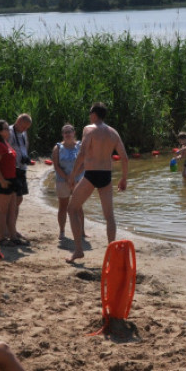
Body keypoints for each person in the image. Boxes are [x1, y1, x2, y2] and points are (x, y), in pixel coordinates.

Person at [66, 102, 128, 263]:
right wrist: (124, 178)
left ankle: (79, 250)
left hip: (92, 173)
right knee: (109, 216)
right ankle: (112, 252)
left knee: (72, 209)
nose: (89, 116)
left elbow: (82, 152)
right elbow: (124, 157)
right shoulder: (113, 133)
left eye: (90, 113)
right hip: (106, 175)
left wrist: (73, 174)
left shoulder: (89, 129)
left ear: (94, 114)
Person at [0, 119, 20, 248]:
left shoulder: (4, 142)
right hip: (0, 181)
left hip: (10, 179)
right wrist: (2, 181)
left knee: (12, 210)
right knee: (3, 211)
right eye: (6, 128)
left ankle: (13, 236)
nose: (9, 130)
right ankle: (2, 239)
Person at [52, 124, 86, 241]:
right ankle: (62, 231)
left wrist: (74, 176)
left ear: (74, 133)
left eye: (69, 132)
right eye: (65, 132)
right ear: (62, 134)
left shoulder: (80, 147)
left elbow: (84, 164)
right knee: (63, 206)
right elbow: (56, 166)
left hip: (78, 180)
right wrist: (67, 178)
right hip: (62, 180)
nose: (67, 134)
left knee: (79, 207)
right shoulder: (57, 148)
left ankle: (82, 232)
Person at [8, 113, 32, 242]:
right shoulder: (10, 132)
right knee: (13, 200)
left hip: (22, 168)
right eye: (24, 126)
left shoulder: (23, 133)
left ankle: (13, 228)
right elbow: (7, 148)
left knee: (19, 199)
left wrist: (25, 157)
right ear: (18, 122)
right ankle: (10, 229)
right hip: (12, 169)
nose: (25, 129)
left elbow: (25, 146)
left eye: (27, 127)